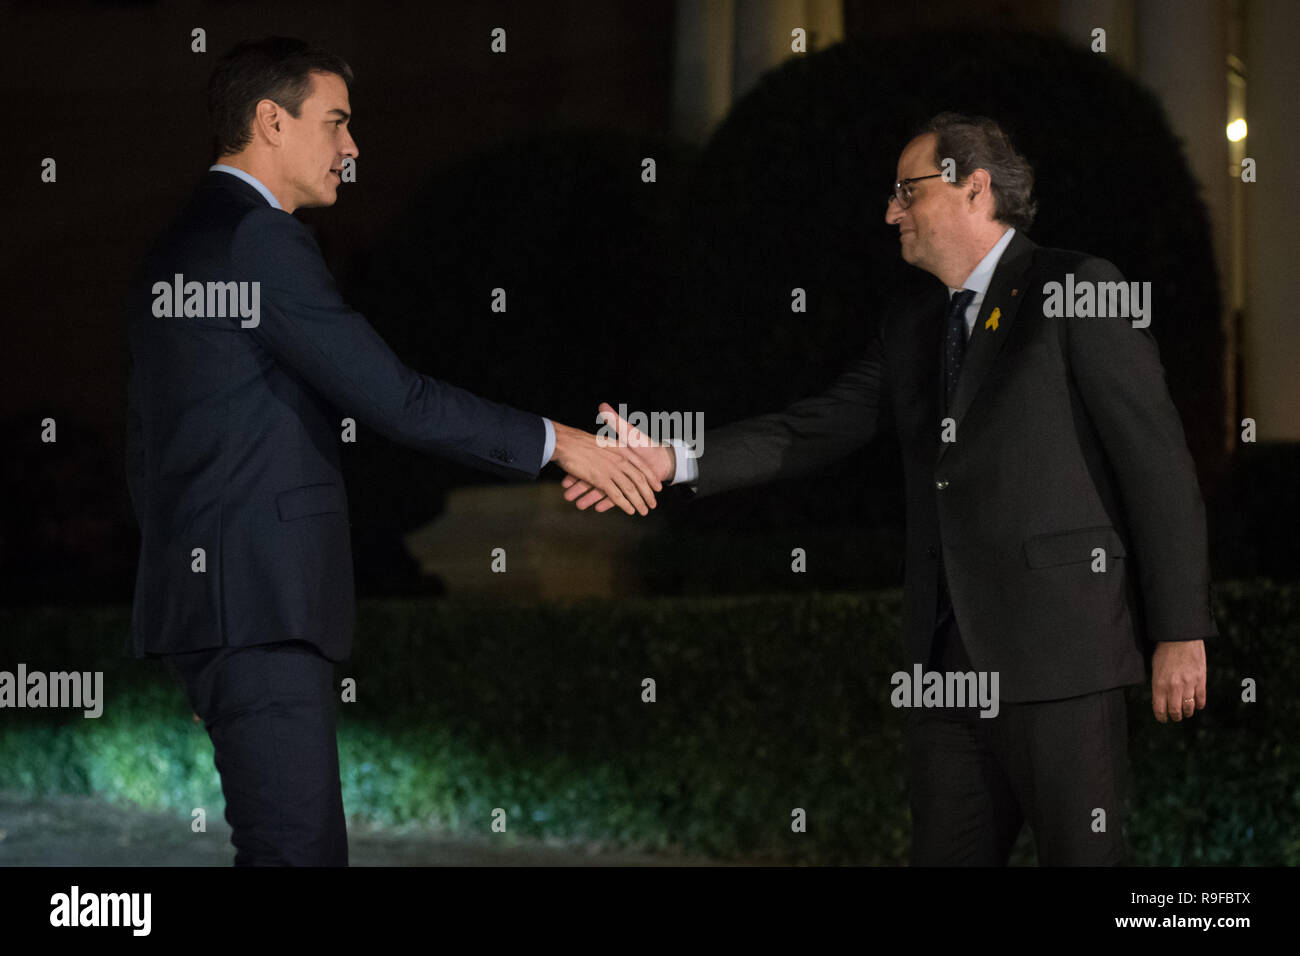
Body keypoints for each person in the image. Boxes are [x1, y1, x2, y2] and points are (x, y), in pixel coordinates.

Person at [564, 112, 1216, 865]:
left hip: (1062, 656)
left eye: (907, 192)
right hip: (945, 667)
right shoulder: (911, 323)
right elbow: (814, 428)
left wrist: (1180, 629)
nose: (889, 212)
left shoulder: (1078, 288)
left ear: (973, 189)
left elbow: (1159, 467)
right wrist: (672, 461)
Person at [124, 36, 661, 866]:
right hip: (261, 611)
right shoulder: (260, 241)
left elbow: (151, 447)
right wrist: (560, 444)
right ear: (271, 121)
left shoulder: (174, 244)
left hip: (224, 611)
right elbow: (395, 398)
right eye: (335, 123)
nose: (353, 148)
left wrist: (200, 628)